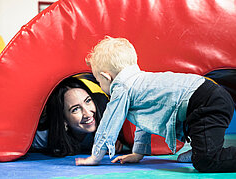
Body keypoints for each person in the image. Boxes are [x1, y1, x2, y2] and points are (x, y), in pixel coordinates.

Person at [75, 36, 236, 173]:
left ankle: (204, 153)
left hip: (206, 101)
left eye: (98, 81)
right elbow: (144, 121)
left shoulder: (121, 86)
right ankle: (200, 150)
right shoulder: (138, 83)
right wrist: (137, 153)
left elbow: (109, 123)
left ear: (106, 77)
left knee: (206, 161)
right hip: (208, 96)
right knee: (198, 148)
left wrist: (95, 156)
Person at [30, 76, 127, 157]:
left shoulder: (107, 114)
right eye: (75, 109)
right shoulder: (44, 136)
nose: (88, 114)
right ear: (64, 120)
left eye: (88, 101)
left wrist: (117, 142)